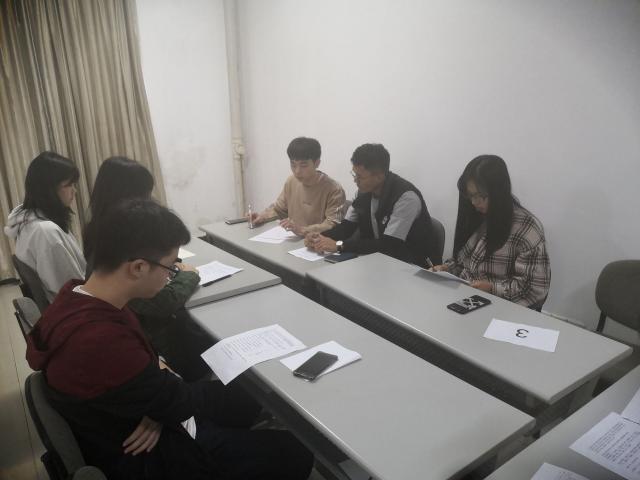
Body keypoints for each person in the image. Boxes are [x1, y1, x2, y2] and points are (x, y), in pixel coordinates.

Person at [25, 199, 313, 480]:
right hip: (156, 455)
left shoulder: (77, 295)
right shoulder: (101, 341)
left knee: (244, 398)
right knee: (296, 452)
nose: (170, 276)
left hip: (137, 417)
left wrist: (157, 403)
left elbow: (156, 379)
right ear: (138, 267)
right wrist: (162, 408)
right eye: (169, 267)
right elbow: (176, 402)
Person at [84, 156, 210, 381]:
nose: (150, 201)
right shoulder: (119, 342)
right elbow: (161, 303)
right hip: (159, 343)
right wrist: (188, 276)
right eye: (145, 194)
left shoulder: (100, 232)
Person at [433, 155, 550, 309]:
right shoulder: (479, 216)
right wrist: (447, 269)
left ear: (498, 192)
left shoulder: (526, 229)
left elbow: (534, 289)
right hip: (466, 299)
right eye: (470, 196)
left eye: (480, 196)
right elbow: (463, 263)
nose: (474, 202)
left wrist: (492, 288)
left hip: (500, 308)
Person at [305, 143, 440, 267]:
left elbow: (389, 245)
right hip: (376, 260)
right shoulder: (362, 193)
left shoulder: (406, 198)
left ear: (379, 177)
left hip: (412, 266)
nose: (355, 180)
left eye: (360, 177)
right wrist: (320, 237)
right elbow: (346, 227)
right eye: (354, 174)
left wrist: (339, 245)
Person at [4, 151, 85, 302]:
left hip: (65, 305)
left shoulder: (28, 221)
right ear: (48, 190)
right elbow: (71, 290)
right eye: (69, 185)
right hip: (75, 308)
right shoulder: (46, 232)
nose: (75, 191)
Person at [249, 137, 346, 235]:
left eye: (303, 166)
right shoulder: (291, 181)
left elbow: (332, 224)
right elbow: (278, 210)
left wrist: (303, 230)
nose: (297, 171)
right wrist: (262, 217)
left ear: (317, 163)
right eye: (293, 165)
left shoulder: (334, 189)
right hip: (293, 238)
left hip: (317, 241)